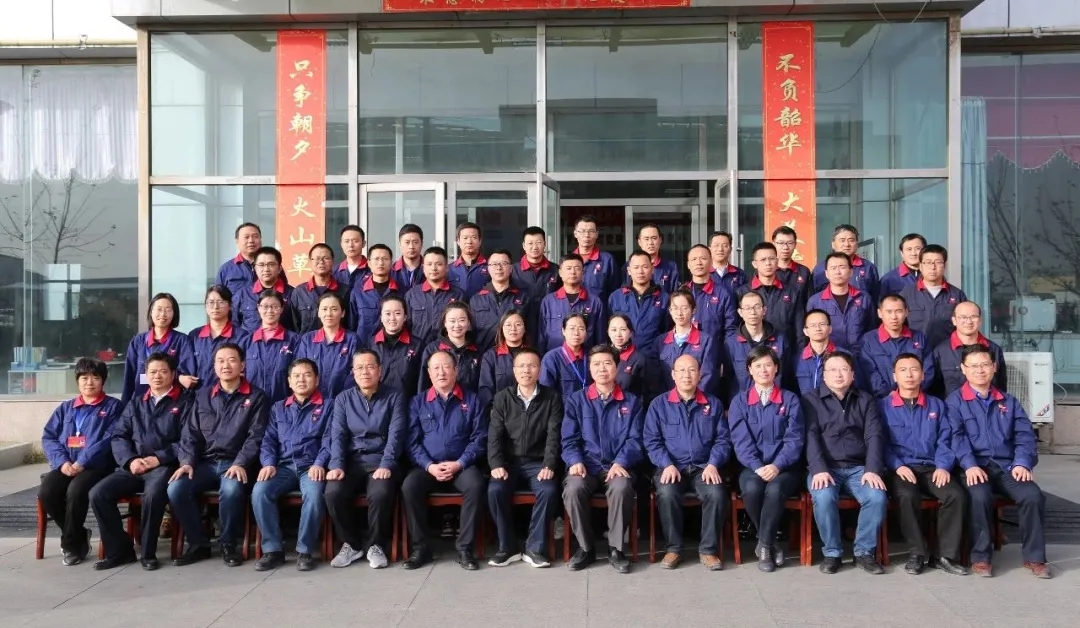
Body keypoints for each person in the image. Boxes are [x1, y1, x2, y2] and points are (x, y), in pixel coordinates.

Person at [948, 344, 1051, 579]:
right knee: (979, 496)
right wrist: (969, 464)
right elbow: (956, 437)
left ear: (994, 367)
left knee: (1032, 495)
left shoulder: (1009, 401)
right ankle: (981, 558)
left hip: (1007, 467)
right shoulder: (954, 402)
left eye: (985, 364)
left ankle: (1035, 557)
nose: (980, 370)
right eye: (974, 366)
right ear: (963, 369)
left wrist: (1022, 462)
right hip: (974, 467)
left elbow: (1025, 436)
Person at [167, 343, 269, 568]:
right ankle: (198, 544)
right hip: (205, 463)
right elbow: (190, 434)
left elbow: (256, 436)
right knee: (176, 488)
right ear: (214, 366)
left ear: (242, 365)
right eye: (220, 361)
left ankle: (228, 544)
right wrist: (186, 462)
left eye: (232, 360)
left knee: (231, 490)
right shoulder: (202, 396)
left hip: (237, 463)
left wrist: (241, 462)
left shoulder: (256, 396)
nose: (226, 365)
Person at [90, 352, 193, 571]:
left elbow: (188, 440)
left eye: (163, 371)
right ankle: (120, 551)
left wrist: (159, 458)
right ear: (146, 374)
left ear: (173, 374)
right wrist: (130, 460)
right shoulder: (136, 403)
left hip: (163, 466)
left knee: (153, 495)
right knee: (98, 494)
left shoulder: (185, 402)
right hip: (134, 465)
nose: (157, 376)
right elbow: (119, 436)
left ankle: (148, 553)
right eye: (152, 372)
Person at [880, 353, 968, 576]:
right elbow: (880, 443)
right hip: (900, 469)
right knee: (907, 496)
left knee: (955, 495)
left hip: (931, 467)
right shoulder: (883, 406)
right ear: (894, 376)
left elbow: (946, 439)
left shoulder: (936, 405)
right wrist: (897, 465)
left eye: (914, 370)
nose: (909, 375)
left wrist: (943, 466)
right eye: (903, 370)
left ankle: (944, 556)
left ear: (923, 375)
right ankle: (916, 553)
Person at [562, 345, 645, 573]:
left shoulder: (632, 402)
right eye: (596, 364)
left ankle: (615, 548)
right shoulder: (576, 400)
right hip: (586, 466)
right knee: (573, 489)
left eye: (607, 363)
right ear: (589, 369)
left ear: (617, 367)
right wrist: (575, 461)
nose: (602, 369)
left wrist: (621, 462)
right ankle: (585, 548)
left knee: (621, 487)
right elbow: (569, 439)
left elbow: (636, 439)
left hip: (618, 465)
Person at [644, 354, 731, 571]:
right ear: (673, 375)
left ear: (700, 374)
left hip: (704, 468)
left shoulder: (713, 404)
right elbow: (651, 441)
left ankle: (708, 550)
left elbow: (723, 440)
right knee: (667, 493)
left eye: (692, 370)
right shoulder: (659, 405)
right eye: (681, 370)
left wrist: (713, 463)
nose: (687, 375)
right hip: (672, 467)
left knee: (716, 493)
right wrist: (666, 463)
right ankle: (673, 549)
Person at [402, 351, 488, 570]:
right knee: (409, 487)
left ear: (456, 370)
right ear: (429, 373)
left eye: (446, 367)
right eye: (436, 368)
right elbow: (411, 442)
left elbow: (479, 438)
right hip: (428, 467)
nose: (441, 372)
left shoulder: (472, 400)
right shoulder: (418, 402)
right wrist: (429, 466)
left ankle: (465, 549)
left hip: (462, 466)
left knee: (476, 485)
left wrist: (460, 463)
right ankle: (421, 548)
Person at [803, 352, 887, 575]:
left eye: (843, 369)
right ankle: (832, 553)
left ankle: (863, 552)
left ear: (852, 374)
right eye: (832, 370)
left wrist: (872, 469)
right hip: (826, 467)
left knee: (877, 497)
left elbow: (874, 436)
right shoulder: (811, 400)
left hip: (859, 468)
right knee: (823, 497)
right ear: (824, 375)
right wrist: (818, 469)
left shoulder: (866, 400)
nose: (838, 374)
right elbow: (810, 437)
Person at [325, 349, 407, 570]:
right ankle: (351, 544)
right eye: (359, 368)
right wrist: (336, 465)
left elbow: (396, 434)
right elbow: (338, 435)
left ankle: (376, 545)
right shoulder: (343, 399)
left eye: (370, 367)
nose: (365, 372)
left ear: (380, 370)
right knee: (332, 492)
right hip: (352, 461)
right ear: (353, 372)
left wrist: (387, 463)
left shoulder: (395, 396)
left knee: (380, 493)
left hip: (381, 459)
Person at [39, 358, 124, 566]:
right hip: (67, 464)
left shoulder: (113, 407)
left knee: (76, 492)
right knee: (47, 492)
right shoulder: (65, 408)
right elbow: (49, 437)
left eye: (95, 377)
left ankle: (71, 546)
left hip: (97, 466)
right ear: (77, 381)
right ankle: (79, 534)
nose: (89, 382)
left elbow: (110, 438)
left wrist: (83, 462)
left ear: (103, 381)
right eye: (84, 378)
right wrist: (62, 462)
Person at [251, 358, 333, 572]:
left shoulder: (328, 406)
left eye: (307, 375)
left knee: (314, 495)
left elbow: (330, 440)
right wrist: (268, 464)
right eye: (296, 376)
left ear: (317, 379)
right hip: (284, 467)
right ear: (289, 381)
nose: (301, 380)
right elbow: (268, 441)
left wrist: (320, 463)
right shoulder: (279, 408)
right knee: (260, 491)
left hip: (311, 467)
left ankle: (305, 551)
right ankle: (273, 550)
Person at [727, 346, 804, 572]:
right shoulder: (739, 402)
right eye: (758, 365)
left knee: (775, 490)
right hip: (753, 467)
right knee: (751, 489)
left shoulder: (790, 399)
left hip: (785, 468)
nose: (763, 370)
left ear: (776, 368)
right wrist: (757, 466)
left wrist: (777, 465)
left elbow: (794, 439)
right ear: (749, 370)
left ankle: (764, 549)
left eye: (768, 365)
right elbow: (740, 440)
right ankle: (769, 543)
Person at [487, 348, 562, 568]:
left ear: (539, 370)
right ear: (514, 370)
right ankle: (507, 547)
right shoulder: (502, 398)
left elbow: (554, 435)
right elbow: (494, 435)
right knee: (495, 490)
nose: (526, 370)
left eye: (531, 366)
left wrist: (549, 464)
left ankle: (534, 548)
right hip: (509, 463)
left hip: (538, 463)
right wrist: (496, 464)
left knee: (548, 490)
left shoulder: (552, 397)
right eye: (521, 366)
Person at [121, 292, 197, 407]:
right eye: (159, 309)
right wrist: (125, 407)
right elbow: (129, 378)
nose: (163, 314)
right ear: (151, 312)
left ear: (174, 314)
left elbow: (187, 375)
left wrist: (177, 377)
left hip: (172, 404)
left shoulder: (182, 340)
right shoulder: (138, 341)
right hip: (141, 404)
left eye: (168, 310)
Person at [858, 294, 935, 399]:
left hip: (916, 397)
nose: (894, 317)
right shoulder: (868, 340)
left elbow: (928, 369)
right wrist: (887, 394)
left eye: (899, 311)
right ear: (880, 313)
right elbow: (870, 372)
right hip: (882, 400)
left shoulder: (920, 338)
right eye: (889, 312)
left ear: (906, 312)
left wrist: (912, 391)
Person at [932, 301, 1006, 398]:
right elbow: (934, 389)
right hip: (950, 406)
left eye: (973, 316)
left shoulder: (994, 349)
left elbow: (1001, 387)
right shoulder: (941, 351)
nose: (969, 321)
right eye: (963, 317)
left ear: (980, 320)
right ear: (954, 321)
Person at [900, 245, 968, 349]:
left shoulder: (957, 295)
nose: (933, 267)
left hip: (947, 352)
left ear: (944, 266)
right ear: (920, 266)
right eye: (928, 262)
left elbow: (965, 327)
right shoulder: (907, 294)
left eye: (938, 262)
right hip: (915, 351)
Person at [608, 249, 671, 360]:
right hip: (622, 359)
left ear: (652, 269)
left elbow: (667, 331)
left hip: (653, 358)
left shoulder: (664, 298)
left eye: (645, 267)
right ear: (629, 270)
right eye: (636, 267)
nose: (640, 271)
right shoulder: (616, 297)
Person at [237, 291, 299, 403]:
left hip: (284, 405)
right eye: (265, 306)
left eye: (275, 307)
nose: (270, 311)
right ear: (258, 308)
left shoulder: (294, 340)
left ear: (281, 309)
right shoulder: (246, 342)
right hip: (252, 405)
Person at [657, 290, 721, 398]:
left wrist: (690, 397)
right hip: (668, 402)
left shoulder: (706, 341)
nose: (679, 313)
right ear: (670, 311)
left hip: (697, 400)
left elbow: (708, 374)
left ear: (693, 310)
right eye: (675, 308)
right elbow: (657, 377)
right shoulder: (660, 342)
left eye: (684, 308)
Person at [806, 252, 872, 356]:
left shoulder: (864, 298)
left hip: (861, 356)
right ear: (826, 274)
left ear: (851, 272)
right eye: (833, 268)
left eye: (842, 267)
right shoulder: (815, 301)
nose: (837, 272)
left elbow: (871, 330)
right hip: (829, 357)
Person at [736, 242, 804, 342]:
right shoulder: (742, 292)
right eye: (763, 260)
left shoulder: (792, 292)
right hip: (753, 349)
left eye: (772, 259)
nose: (768, 263)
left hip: (784, 348)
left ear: (777, 262)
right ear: (754, 264)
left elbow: (799, 329)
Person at [725, 290, 788, 398]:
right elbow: (728, 377)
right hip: (743, 402)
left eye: (757, 307)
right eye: (747, 308)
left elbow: (787, 374)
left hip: (774, 400)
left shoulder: (780, 339)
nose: (752, 312)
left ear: (764, 310)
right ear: (740, 312)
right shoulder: (731, 343)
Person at [296, 292, 360, 398]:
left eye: (334, 309)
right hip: (313, 400)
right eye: (324, 309)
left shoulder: (353, 339)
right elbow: (300, 369)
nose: (329, 314)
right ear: (318, 312)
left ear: (343, 313)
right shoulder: (307, 339)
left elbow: (356, 371)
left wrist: (343, 398)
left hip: (344, 399)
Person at [537, 253, 605, 353]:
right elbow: (542, 336)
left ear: (583, 272)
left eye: (577, 268)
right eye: (568, 268)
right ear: (560, 273)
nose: (573, 272)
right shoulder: (548, 301)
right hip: (555, 357)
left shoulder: (595, 302)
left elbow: (600, 338)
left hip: (585, 358)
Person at [469, 248, 532, 352]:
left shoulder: (523, 298)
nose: (499, 268)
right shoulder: (476, 299)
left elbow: (530, 331)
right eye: (494, 264)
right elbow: (470, 332)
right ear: (488, 269)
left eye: (503, 263)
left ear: (511, 268)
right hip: (483, 355)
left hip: (515, 355)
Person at [404, 246, 465, 346]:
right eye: (429, 264)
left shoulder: (458, 295)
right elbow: (405, 325)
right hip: (418, 350)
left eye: (439, 264)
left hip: (448, 349)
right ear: (423, 268)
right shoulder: (412, 295)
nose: (433, 268)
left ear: (446, 268)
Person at [418, 301, 483, 393]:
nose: (457, 325)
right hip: (438, 401)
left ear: (468, 322)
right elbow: (423, 383)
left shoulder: (477, 351)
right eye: (452, 321)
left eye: (462, 320)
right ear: (445, 323)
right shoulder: (432, 349)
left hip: (470, 401)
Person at [812, 224, 881, 306]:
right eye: (842, 240)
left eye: (851, 240)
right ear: (833, 244)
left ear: (857, 243)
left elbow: (875, 298)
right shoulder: (820, 269)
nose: (847, 244)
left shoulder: (868, 267)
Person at [369, 295, 423, 399]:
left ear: (405, 317)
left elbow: (421, 380)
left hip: (407, 403)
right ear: (381, 317)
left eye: (397, 313)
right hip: (377, 403)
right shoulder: (370, 344)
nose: (392, 318)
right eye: (387, 313)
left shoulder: (418, 345)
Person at [291, 243, 352, 333]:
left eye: (326, 258)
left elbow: (350, 323)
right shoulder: (299, 292)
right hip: (307, 341)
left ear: (332, 261)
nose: (321, 262)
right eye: (317, 258)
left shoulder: (345, 291)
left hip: (338, 341)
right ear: (310, 262)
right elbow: (294, 325)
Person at [234, 246, 295, 333]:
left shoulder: (292, 294)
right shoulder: (243, 294)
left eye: (271, 264)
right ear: (255, 268)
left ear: (279, 269)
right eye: (261, 265)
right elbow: (234, 324)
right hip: (249, 341)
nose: (266, 269)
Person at [479, 310, 532, 407]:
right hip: (500, 411)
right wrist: (495, 411)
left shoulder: (532, 355)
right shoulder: (490, 356)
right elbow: (485, 390)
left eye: (518, 325)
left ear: (524, 328)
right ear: (501, 329)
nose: (513, 329)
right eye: (508, 325)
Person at [684, 244, 738, 338]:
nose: (698, 263)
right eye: (694, 259)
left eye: (703, 258)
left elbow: (730, 329)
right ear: (688, 265)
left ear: (711, 262)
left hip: (715, 346)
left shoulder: (723, 294)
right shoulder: (683, 292)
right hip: (687, 346)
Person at [350, 243, 401, 342]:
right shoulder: (358, 292)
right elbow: (351, 325)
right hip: (364, 346)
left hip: (393, 346)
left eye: (385, 259)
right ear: (369, 263)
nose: (380, 263)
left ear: (391, 263)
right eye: (376, 259)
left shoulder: (401, 290)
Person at [190, 285, 236, 391]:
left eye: (221, 302)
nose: (215, 307)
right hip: (198, 396)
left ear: (230, 306)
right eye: (211, 302)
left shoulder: (242, 337)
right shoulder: (194, 336)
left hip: (229, 395)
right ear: (205, 306)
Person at [539, 312, 592, 397]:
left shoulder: (592, 357)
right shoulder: (551, 358)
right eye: (572, 328)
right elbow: (546, 394)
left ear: (586, 332)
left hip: (589, 404)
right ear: (563, 331)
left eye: (581, 329)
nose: (576, 333)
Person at [572, 214, 619, 302]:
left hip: (599, 309)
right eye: (582, 231)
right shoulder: (569, 260)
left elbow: (615, 292)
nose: (586, 235)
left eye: (591, 231)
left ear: (597, 234)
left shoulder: (607, 260)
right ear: (575, 234)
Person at [623, 223, 680, 293]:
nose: (650, 243)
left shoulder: (671, 267)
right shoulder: (630, 266)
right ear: (639, 242)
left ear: (660, 240)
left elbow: (676, 294)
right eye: (646, 239)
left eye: (654, 238)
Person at [512, 226, 561, 305]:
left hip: (548, 312)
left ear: (544, 244)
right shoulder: (513, 270)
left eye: (538, 243)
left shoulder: (556, 270)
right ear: (524, 246)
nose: (535, 247)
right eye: (530, 243)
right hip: (522, 313)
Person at [607, 314, 650, 399]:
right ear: (608, 332)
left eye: (623, 329)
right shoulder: (601, 355)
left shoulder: (639, 359)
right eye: (614, 330)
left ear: (630, 333)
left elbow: (645, 393)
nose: (618, 334)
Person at [216, 222, 263, 298]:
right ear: (237, 241)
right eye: (246, 237)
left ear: (261, 240)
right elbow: (218, 299)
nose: (251, 240)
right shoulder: (226, 270)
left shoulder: (273, 266)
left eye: (255, 236)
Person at [772, 225, 813, 305]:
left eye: (790, 243)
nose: (785, 247)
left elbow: (809, 301)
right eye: (781, 243)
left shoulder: (804, 272)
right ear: (773, 244)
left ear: (795, 244)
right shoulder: (767, 270)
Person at [448, 222, 488, 300]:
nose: (469, 242)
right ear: (458, 241)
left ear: (480, 241)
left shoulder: (490, 267)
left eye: (474, 237)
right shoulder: (449, 269)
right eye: (465, 238)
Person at [879, 233, 926, 298]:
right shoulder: (888, 279)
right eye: (909, 249)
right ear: (902, 253)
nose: (913, 253)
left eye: (918, 248)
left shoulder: (934, 275)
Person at [392, 224, 425, 290]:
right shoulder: (391, 271)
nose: (411, 247)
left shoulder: (430, 270)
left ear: (422, 243)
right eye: (407, 242)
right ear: (399, 244)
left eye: (415, 242)